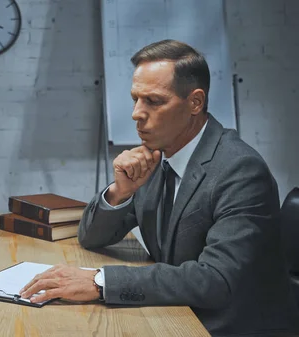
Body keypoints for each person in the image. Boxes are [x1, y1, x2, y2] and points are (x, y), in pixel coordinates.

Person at [19, 40, 299, 336]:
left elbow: (217, 280)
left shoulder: (240, 170)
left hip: (224, 327)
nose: (136, 113)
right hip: (173, 312)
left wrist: (99, 282)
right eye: (135, 99)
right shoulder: (156, 155)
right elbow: (91, 237)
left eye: (153, 101)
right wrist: (120, 192)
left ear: (195, 102)